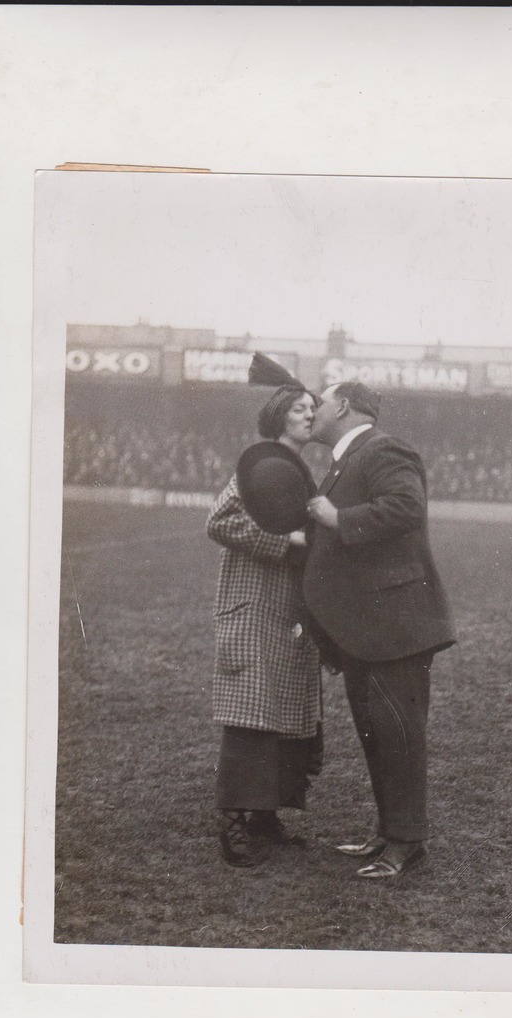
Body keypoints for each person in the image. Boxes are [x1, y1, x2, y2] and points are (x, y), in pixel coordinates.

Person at [303, 381, 456, 879]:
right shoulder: (349, 458)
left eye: (320, 403)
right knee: (378, 733)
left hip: (396, 625)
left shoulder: (383, 448)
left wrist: (336, 516)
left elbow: (406, 508)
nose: (312, 412)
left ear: (343, 406)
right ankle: (390, 831)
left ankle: (407, 842)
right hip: (368, 628)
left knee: (398, 733)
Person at [206, 363, 322, 868]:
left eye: (313, 409)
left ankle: (265, 814)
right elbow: (219, 521)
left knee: (285, 709)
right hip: (253, 603)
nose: (309, 414)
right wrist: (283, 542)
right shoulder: (254, 470)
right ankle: (233, 821)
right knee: (251, 710)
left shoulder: (304, 474)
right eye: (300, 408)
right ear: (279, 416)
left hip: (290, 610)